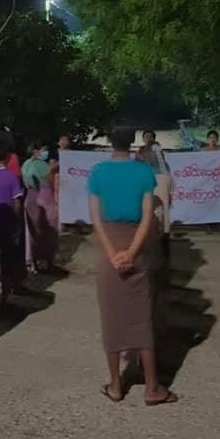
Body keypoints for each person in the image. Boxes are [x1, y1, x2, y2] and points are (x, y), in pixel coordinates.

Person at [88, 127, 177, 406]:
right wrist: (132, 252)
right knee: (142, 316)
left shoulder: (98, 173)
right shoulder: (143, 173)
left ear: (110, 142)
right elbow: (147, 217)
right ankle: (152, 387)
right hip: (138, 248)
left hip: (108, 249)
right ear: (133, 142)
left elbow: (96, 220)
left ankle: (116, 385)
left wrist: (114, 252)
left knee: (111, 317)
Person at [0, 140, 27, 304]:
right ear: (8, 157)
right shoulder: (11, 177)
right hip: (6, 230)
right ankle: (3, 300)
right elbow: (17, 202)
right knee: (5, 263)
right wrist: (15, 222)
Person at [22, 142, 60, 273]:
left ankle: (32, 262)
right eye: (42, 150)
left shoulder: (26, 163)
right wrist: (54, 170)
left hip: (29, 197)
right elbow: (50, 180)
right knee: (48, 230)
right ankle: (48, 262)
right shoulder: (41, 165)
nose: (45, 152)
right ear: (35, 151)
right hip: (43, 197)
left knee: (31, 231)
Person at [138, 145, 173, 263]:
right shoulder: (167, 173)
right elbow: (171, 194)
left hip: (149, 220)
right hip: (163, 220)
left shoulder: (145, 173)